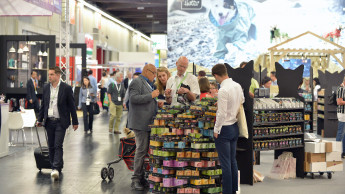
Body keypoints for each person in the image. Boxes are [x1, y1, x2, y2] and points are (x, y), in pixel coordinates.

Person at [36, 67, 78, 180]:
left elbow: (72, 106)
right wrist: (39, 119)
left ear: (58, 75)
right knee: (51, 146)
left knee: (58, 145)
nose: (49, 76)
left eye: (52, 74)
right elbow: (44, 105)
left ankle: (55, 168)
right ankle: (57, 165)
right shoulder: (46, 87)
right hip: (49, 121)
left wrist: (75, 121)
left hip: (61, 122)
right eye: (49, 74)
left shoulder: (66, 88)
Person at [211, 64, 244, 194]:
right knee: (232, 161)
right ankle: (234, 190)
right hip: (234, 127)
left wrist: (216, 129)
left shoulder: (223, 90)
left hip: (224, 128)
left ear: (216, 75)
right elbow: (242, 100)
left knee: (225, 164)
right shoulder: (237, 85)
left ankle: (227, 192)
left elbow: (221, 114)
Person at [129, 64, 160, 191]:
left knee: (144, 151)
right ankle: (135, 179)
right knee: (141, 151)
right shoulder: (137, 82)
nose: (155, 77)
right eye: (154, 73)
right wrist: (151, 96)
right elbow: (133, 98)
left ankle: (141, 178)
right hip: (139, 123)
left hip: (147, 123)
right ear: (147, 71)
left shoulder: (147, 84)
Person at [336, 77, 345, 159]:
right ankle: (336, 152)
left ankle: (343, 152)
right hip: (342, 114)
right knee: (340, 132)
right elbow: (339, 102)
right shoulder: (341, 89)